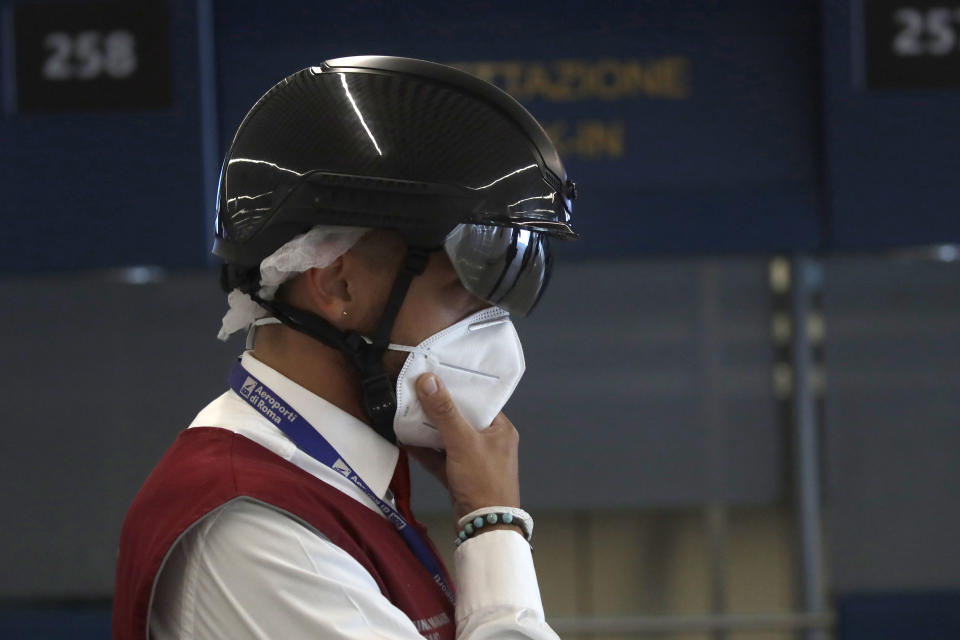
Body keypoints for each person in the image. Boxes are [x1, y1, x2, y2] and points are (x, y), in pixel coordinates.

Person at [113, 55, 578, 639]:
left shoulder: (342, 481)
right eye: (462, 295)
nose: (494, 333)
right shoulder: (252, 525)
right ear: (338, 284)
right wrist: (494, 525)